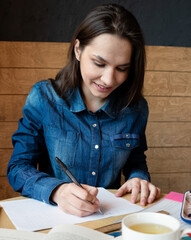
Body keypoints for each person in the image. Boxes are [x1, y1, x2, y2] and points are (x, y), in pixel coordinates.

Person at [7, 3, 160, 217]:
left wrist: (138, 178)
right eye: (99, 63)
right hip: (55, 218)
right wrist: (57, 191)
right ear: (78, 49)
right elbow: (18, 167)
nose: (108, 79)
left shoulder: (135, 108)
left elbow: (136, 160)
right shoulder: (44, 98)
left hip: (109, 220)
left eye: (122, 69)